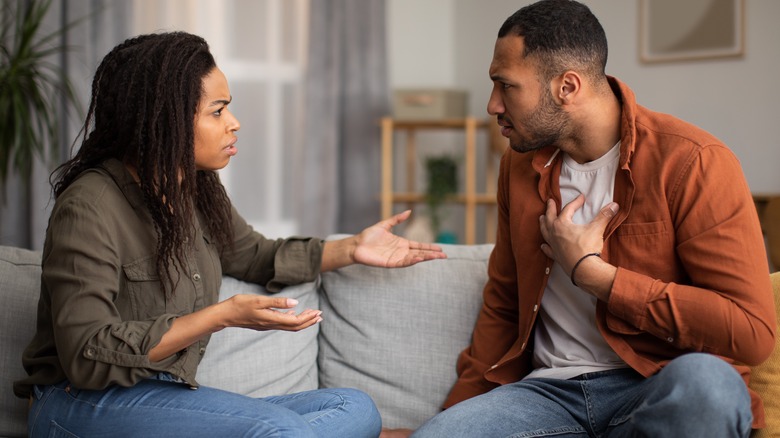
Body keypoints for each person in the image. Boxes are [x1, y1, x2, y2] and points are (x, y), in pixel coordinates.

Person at [13, 31, 446, 438]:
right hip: (79, 404)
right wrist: (223, 314)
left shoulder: (195, 189)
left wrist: (353, 247)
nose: (234, 123)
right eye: (217, 111)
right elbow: (86, 353)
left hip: (164, 395)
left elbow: (255, 255)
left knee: (355, 408)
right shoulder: (89, 205)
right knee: (280, 431)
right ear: (167, 118)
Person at [410, 1, 776, 437]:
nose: (492, 105)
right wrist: (448, 420)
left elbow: (752, 333)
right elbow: (504, 300)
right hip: (548, 398)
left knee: (706, 387)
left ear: (567, 86)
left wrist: (598, 277)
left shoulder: (694, 163)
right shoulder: (518, 167)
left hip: (655, 385)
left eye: (505, 86)